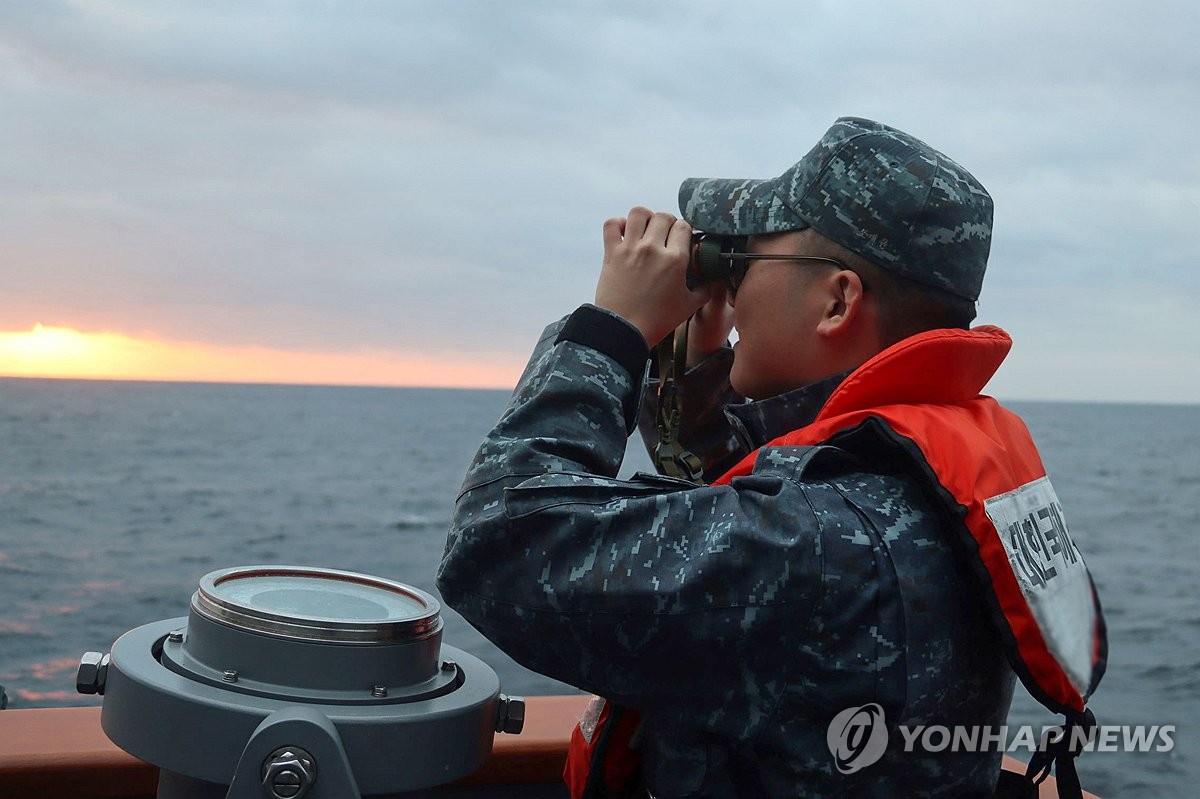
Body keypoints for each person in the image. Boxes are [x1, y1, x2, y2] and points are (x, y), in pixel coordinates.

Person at [438, 117, 1104, 798]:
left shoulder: (815, 547)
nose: (732, 289)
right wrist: (696, 370)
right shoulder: (911, 486)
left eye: (746, 263)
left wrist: (612, 331)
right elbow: (752, 505)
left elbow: (497, 545)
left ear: (837, 300)